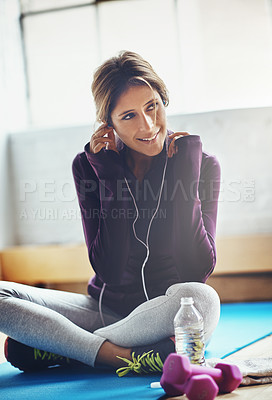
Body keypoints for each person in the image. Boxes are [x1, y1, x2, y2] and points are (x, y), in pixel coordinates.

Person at [0, 51, 221, 376]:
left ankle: (70, 347)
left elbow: (196, 268)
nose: (148, 125)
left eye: (152, 106)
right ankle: (119, 357)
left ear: (164, 100)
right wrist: (109, 173)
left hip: (163, 312)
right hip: (105, 309)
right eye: (128, 116)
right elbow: (111, 269)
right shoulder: (90, 167)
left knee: (201, 298)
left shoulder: (200, 163)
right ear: (109, 123)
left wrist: (185, 170)